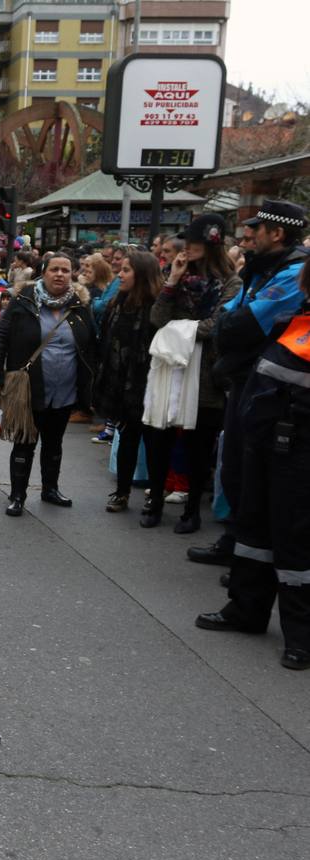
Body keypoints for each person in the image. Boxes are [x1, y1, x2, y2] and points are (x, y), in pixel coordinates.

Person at [196, 255, 310, 670]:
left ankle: (301, 635)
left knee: (295, 540)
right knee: (254, 528)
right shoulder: (297, 318)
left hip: (300, 451)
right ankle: (245, 609)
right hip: (265, 442)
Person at [191, 201, 308, 567]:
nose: (247, 235)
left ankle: (253, 565)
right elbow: (228, 316)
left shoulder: (294, 271)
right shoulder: (262, 268)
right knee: (237, 467)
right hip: (247, 378)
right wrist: (229, 323)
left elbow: (244, 324)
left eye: (256, 229)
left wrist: (229, 324)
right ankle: (236, 546)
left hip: (273, 388)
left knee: (255, 472)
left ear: (278, 234)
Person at [142, 215, 242, 532]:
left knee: (200, 445)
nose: (188, 248)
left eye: (195, 243)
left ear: (210, 245)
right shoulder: (178, 277)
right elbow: (157, 318)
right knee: (159, 439)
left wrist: (175, 330)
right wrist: (172, 280)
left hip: (206, 374)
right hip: (170, 370)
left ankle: (192, 510)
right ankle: (155, 501)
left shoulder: (231, 283)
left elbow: (216, 327)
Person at [0, 251, 97, 517]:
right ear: (44, 272)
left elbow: (91, 345)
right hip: (28, 388)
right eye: (54, 269)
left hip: (65, 390)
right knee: (25, 441)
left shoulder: (80, 306)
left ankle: (50, 489)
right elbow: (0, 337)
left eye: (65, 270)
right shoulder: (23, 301)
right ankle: (17, 495)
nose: (60, 274)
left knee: (54, 442)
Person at [93, 250, 162, 513]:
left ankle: (155, 497)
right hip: (122, 385)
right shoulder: (118, 303)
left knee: (155, 444)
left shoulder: (157, 307)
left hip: (150, 386)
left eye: (126, 270)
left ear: (142, 274)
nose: (119, 275)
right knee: (127, 439)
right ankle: (121, 493)